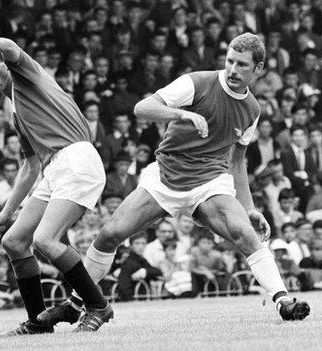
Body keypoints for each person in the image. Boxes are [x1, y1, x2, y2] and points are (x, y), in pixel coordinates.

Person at [42, 33, 310, 325]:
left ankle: (283, 301)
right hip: (166, 176)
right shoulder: (196, 82)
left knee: (245, 233)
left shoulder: (253, 110)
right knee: (110, 235)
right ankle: (75, 304)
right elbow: (142, 108)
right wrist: (182, 115)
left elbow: (237, 161)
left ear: (258, 69)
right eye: (230, 61)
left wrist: (248, 207)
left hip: (210, 182)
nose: (233, 70)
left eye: (242, 65)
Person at [0, 35, 112, 334]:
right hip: (54, 168)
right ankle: (38, 323)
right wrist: (6, 211)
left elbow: (7, 43)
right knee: (13, 242)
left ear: (5, 64)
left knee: (45, 240)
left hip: (77, 158)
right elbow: (30, 166)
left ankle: (98, 305)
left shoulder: (29, 75)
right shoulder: (16, 110)